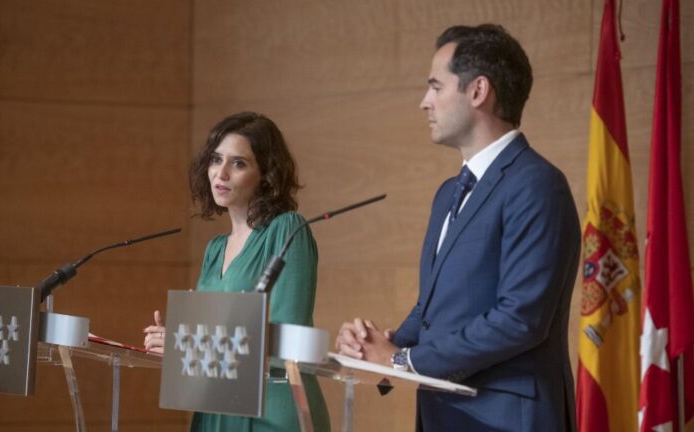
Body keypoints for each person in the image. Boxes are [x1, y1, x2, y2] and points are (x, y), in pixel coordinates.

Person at [336, 24, 580, 431]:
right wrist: (377, 346)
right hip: (444, 413)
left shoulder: (538, 184)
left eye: (435, 86)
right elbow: (432, 310)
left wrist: (402, 360)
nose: (424, 102)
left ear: (478, 91)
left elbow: (520, 318)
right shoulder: (450, 190)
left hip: (507, 418)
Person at [143, 112, 330, 432]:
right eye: (216, 160)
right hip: (216, 406)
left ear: (266, 174)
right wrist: (181, 338)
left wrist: (189, 342)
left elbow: (286, 333)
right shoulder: (215, 249)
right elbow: (215, 333)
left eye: (239, 163)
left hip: (272, 407)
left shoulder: (288, 230)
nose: (221, 173)